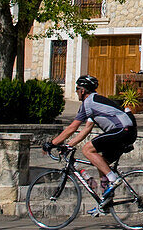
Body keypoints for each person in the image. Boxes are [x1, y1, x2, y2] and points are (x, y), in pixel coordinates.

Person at [42, 74, 137, 214]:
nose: (76, 92)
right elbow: (85, 129)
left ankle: (113, 179)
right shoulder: (94, 104)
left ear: (82, 91)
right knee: (102, 164)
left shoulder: (89, 103)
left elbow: (72, 128)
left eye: (77, 89)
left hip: (123, 129)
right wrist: (68, 145)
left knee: (87, 149)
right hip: (127, 130)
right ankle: (105, 202)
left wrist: (51, 143)